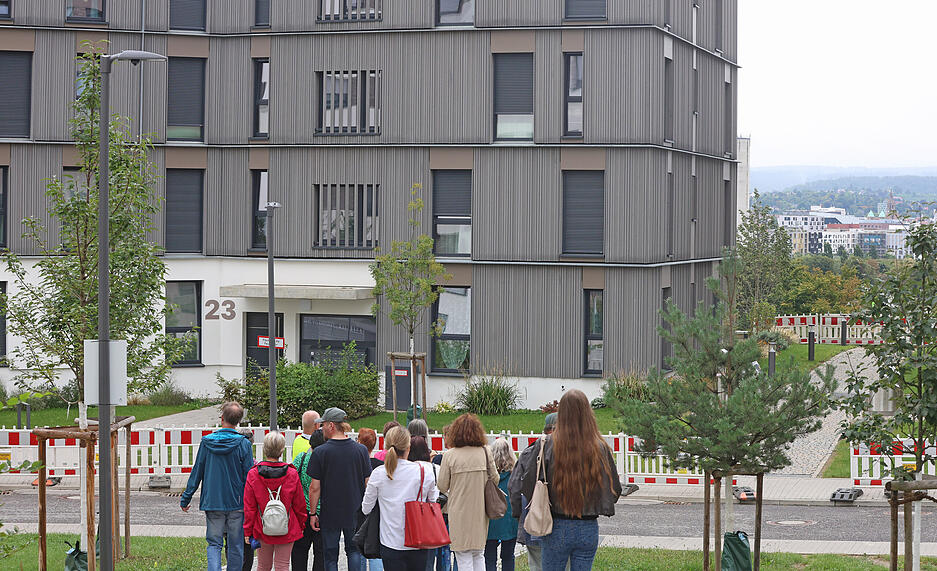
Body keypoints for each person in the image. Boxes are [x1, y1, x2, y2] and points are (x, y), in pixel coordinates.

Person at [511, 391, 622, 571]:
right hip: (588, 526)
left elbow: (528, 484)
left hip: (556, 525)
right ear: (588, 413)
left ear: (561, 413)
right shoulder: (600, 447)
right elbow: (614, 490)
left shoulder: (546, 444)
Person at [180, 402, 255, 571]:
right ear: (239, 422)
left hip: (213, 501)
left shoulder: (206, 442)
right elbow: (250, 477)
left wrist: (186, 498)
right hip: (237, 503)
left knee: (214, 544)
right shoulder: (244, 444)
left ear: (222, 418)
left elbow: (197, 471)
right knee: (236, 545)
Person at [361, 427, 439, 571]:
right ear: (408, 447)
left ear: (386, 446)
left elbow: (366, 508)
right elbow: (433, 500)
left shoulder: (379, 473)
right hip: (418, 538)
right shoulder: (424, 471)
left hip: (390, 541)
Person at [307, 407, 373, 571]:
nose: (321, 429)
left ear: (331, 425)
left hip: (330, 512)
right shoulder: (361, 450)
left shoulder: (320, 452)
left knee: (330, 555)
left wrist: (313, 513)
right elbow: (368, 482)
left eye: (323, 425)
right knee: (354, 551)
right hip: (355, 509)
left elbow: (314, 488)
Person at [438, 414, 498, 571]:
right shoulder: (485, 452)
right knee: (479, 553)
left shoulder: (450, 455)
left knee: (463, 555)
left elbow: (442, 485)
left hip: (458, 511)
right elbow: (495, 479)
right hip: (480, 510)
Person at [243, 432, 308, 571]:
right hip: (287, 525)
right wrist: (301, 524)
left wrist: (248, 530)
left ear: (264, 449)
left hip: (262, 526)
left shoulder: (253, 474)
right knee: (283, 565)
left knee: (263, 566)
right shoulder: (292, 473)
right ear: (282, 450)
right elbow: (299, 504)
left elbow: (249, 507)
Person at [509, 413, 560, 571]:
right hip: (563, 523)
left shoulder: (530, 451)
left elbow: (514, 487)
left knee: (537, 564)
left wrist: (519, 514)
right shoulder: (571, 453)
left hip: (535, 518)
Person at [292, 428, 328, 571]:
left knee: (299, 551)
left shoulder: (301, 458)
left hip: (302, 511)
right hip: (323, 511)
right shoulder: (328, 462)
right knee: (321, 554)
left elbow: (292, 480)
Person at [485, 438, 517, 571]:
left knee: (489, 557)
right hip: (510, 520)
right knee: (508, 556)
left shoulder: (488, 475)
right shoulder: (515, 475)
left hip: (491, 519)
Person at [357, 428, 385, 571]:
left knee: (359, 544)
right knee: (374, 544)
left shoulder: (356, 464)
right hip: (376, 509)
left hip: (358, 508)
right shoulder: (380, 465)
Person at [427, 426, 452, 571]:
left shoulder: (443, 458)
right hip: (452, 507)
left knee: (441, 546)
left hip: (443, 507)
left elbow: (441, 484)